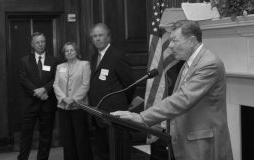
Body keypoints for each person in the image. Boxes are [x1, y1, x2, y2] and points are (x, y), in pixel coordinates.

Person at [112, 20, 233, 160]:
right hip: (186, 141)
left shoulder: (209, 64)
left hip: (204, 145)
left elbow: (182, 99)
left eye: (175, 40)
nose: (170, 46)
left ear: (192, 41)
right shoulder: (188, 63)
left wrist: (141, 117)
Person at [88, 23, 134, 160]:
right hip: (98, 113)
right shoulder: (93, 57)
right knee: (103, 152)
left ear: (108, 37)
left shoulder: (117, 55)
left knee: (119, 152)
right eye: (94, 36)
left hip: (115, 114)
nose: (97, 39)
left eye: (100, 35)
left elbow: (130, 84)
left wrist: (123, 103)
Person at [18, 32, 59, 160]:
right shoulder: (24, 61)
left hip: (47, 103)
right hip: (30, 104)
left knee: (46, 137)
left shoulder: (54, 60)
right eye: (37, 42)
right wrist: (37, 91)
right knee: (26, 136)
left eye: (43, 41)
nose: (41, 44)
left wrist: (45, 89)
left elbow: (56, 79)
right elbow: (23, 79)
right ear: (32, 44)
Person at [53, 42, 93, 160]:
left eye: (72, 50)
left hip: (79, 106)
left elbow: (86, 84)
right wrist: (64, 98)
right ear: (64, 54)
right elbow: (55, 85)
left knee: (81, 137)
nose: (69, 52)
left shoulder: (84, 65)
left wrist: (73, 99)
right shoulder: (60, 67)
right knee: (67, 138)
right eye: (67, 51)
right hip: (63, 107)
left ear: (77, 52)